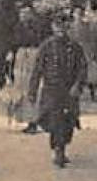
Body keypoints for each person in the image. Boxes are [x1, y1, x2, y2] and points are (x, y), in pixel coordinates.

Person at [35, 13, 89, 167]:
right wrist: (32, 90)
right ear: (53, 28)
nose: (61, 30)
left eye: (64, 27)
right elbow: (38, 69)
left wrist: (77, 85)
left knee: (69, 120)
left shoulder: (75, 47)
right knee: (54, 119)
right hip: (52, 89)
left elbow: (82, 68)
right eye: (58, 27)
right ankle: (58, 149)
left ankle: (63, 147)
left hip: (69, 90)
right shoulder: (46, 46)